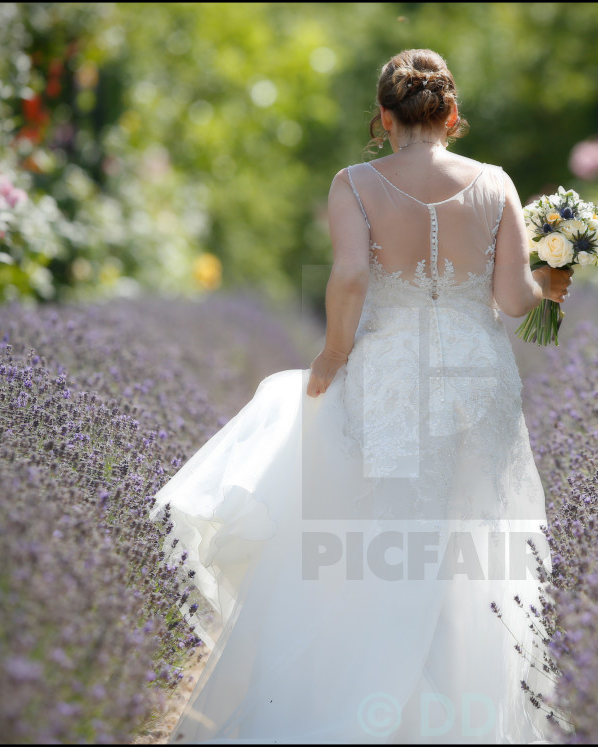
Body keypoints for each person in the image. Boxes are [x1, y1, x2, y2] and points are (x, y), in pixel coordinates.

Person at [151, 48, 573, 743]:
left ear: (383, 116)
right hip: (478, 382)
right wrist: (552, 284)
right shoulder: (495, 182)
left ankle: (370, 707)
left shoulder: (354, 183)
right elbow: (511, 297)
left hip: (392, 376)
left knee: (380, 539)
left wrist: (333, 355)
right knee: (471, 540)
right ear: (452, 113)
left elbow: (349, 276)